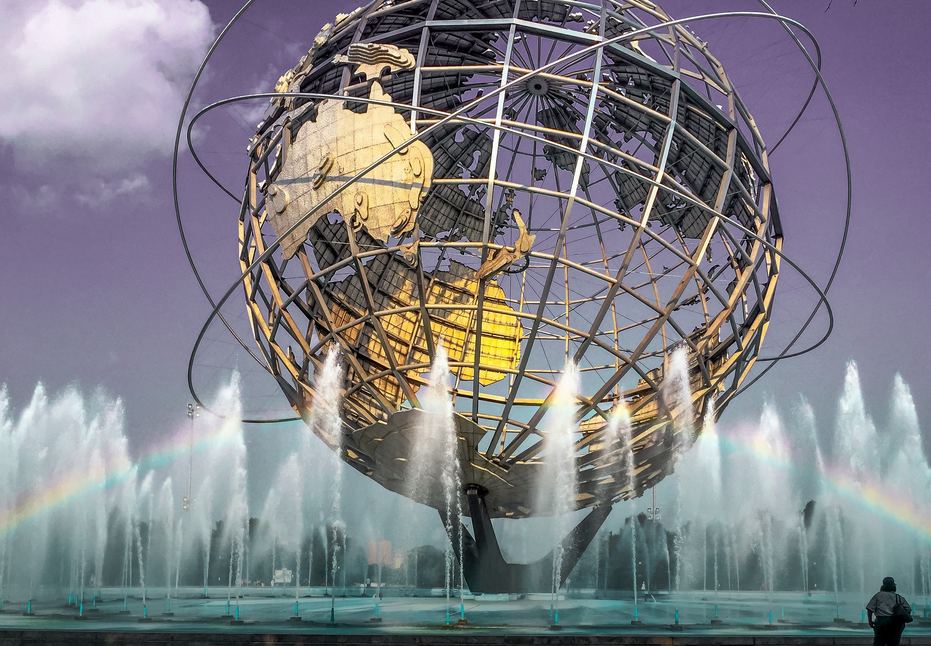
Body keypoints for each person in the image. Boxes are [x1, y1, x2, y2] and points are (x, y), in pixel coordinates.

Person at [866, 576, 911, 646]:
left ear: (883, 586)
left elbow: (869, 609)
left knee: (879, 642)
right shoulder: (898, 597)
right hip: (895, 622)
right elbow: (908, 609)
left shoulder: (878, 596)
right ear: (894, 586)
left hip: (881, 621)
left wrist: (870, 621)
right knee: (893, 643)